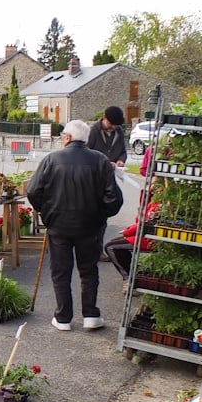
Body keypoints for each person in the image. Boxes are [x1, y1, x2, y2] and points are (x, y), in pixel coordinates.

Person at [26, 120, 123, 331]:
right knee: (88, 271)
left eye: (63, 136)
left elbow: (33, 191)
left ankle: (63, 318)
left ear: (68, 138)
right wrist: (101, 215)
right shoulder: (100, 160)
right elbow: (114, 198)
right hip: (90, 226)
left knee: (61, 271)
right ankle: (90, 315)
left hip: (58, 225)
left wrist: (46, 212)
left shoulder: (51, 159)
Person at [87, 105, 128, 257]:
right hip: (92, 181)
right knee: (91, 217)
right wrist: (104, 163)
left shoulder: (119, 131)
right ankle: (88, 250)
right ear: (104, 117)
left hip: (109, 179)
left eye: (116, 125)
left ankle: (97, 250)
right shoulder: (92, 131)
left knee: (102, 217)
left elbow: (123, 151)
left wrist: (121, 161)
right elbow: (86, 153)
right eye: (111, 124)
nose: (113, 127)